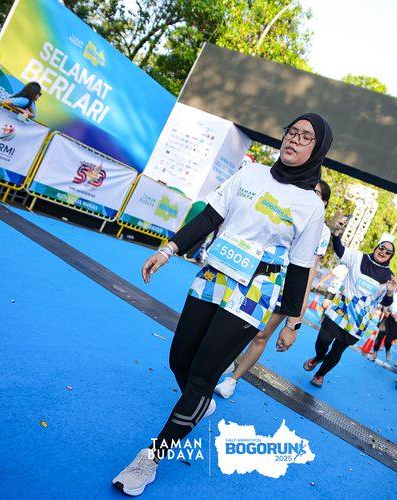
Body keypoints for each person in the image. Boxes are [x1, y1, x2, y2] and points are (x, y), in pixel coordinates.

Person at [111, 113, 332, 496]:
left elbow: (299, 268)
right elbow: (210, 217)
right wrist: (168, 250)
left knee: (201, 376)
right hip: (215, 275)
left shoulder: (312, 206)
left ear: (318, 150)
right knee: (179, 359)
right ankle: (198, 403)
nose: (294, 140)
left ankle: (151, 458)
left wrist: (292, 323)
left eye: (305, 137)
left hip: (255, 292)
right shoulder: (251, 174)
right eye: (291, 131)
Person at [214, 180, 332, 399]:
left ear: (324, 203)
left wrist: (295, 321)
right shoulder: (287, 207)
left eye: (316, 193)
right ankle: (224, 361)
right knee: (237, 324)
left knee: (261, 335)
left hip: (286, 288)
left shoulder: (322, 231)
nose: (310, 194)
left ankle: (232, 380)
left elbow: (309, 272)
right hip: (263, 278)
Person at [303, 230, 397, 388]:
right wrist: (336, 235)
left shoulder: (390, 277)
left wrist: (389, 292)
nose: (383, 252)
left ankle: (320, 374)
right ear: (376, 247)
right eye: (382, 247)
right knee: (323, 339)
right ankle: (319, 356)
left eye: (388, 252)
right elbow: (340, 250)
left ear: (390, 257)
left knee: (337, 351)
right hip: (339, 309)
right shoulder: (358, 257)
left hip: (358, 320)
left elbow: (386, 303)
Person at [368, 281, 397, 362]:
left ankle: (388, 349)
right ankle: (374, 353)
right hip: (388, 317)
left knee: (388, 340)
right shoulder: (394, 295)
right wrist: (385, 310)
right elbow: (386, 304)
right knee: (380, 336)